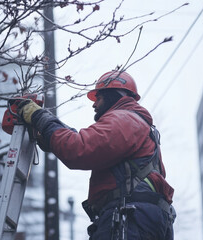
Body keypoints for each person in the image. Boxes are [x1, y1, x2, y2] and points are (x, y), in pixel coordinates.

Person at [17, 70, 175, 240]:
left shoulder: (124, 119)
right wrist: (52, 136)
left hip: (131, 219)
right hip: (138, 218)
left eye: (98, 98)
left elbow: (79, 148)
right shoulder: (133, 122)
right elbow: (84, 142)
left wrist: (39, 117)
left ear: (114, 95)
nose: (94, 104)